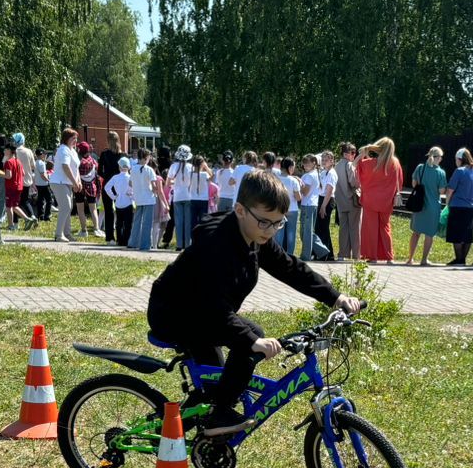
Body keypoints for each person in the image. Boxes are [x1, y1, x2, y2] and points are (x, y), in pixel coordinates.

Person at [147, 168, 364, 437]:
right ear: (239, 209)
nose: (271, 230)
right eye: (265, 222)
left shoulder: (255, 236)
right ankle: (219, 417)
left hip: (205, 313)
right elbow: (211, 303)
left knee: (217, 385)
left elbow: (290, 268)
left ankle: (201, 420)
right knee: (251, 339)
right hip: (175, 313)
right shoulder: (216, 244)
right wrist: (251, 340)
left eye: (278, 223)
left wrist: (335, 297)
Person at [356, 137, 401, 263]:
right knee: (385, 228)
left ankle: (372, 257)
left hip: (371, 201)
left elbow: (358, 167)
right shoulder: (395, 164)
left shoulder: (371, 163)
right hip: (387, 202)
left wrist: (365, 151)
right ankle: (389, 257)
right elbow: (400, 182)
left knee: (370, 229)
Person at [406, 147, 444, 266]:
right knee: (429, 234)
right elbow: (442, 190)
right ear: (437, 158)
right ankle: (424, 260)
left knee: (416, 233)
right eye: (441, 157)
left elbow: (414, 184)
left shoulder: (420, 168)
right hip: (433, 207)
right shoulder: (440, 172)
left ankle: (410, 259)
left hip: (419, 205)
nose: (441, 159)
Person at [441, 148, 473, 265]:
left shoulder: (459, 171)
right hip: (472, 206)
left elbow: (450, 190)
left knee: (456, 233)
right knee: (467, 233)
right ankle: (463, 259)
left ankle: (459, 259)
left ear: (459, 159)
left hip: (458, 205)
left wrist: (447, 203)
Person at [168, 144, 205, 250]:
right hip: (189, 196)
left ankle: (179, 244)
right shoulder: (191, 167)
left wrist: (175, 182)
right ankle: (187, 244)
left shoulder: (173, 166)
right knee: (188, 221)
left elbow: (168, 183)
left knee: (178, 222)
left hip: (177, 196)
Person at [50, 128, 79, 242]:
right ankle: (58, 235)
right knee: (66, 206)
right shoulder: (63, 150)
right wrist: (75, 182)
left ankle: (67, 233)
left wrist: (78, 182)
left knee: (68, 207)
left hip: (67, 183)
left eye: (76, 138)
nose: (75, 141)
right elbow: (65, 167)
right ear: (66, 139)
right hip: (59, 182)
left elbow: (75, 168)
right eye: (73, 138)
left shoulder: (73, 151)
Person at [333, 141, 361, 259]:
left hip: (340, 201)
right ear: (346, 153)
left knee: (343, 229)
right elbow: (353, 182)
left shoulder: (336, 165)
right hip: (352, 200)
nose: (354, 155)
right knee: (355, 228)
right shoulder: (349, 165)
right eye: (353, 152)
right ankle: (356, 255)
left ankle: (342, 254)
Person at [128, 148, 158, 250]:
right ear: (146, 158)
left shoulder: (133, 169)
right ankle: (145, 244)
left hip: (138, 198)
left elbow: (130, 183)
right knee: (147, 223)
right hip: (148, 198)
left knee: (136, 221)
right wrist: (155, 192)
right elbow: (154, 185)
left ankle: (133, 242)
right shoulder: (149, 170)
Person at [296, 154, 324, 261]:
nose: (305, 165)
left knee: (305, 232)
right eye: (304, 163)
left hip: (307, 205)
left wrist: (298, 184)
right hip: (312, 204)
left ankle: (306, 255)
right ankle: (322, 251)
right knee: (308, 231)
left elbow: (305, 192)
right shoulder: (316, 173)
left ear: (314, 163)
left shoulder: (308, 176)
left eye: (307, 163)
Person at [97, 131, 123, 241]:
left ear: (108, 141)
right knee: (121, 210)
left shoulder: (104, 154)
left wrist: (107, 176)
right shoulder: (122, 155)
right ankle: (121, 236)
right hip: (119, 184)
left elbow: (99, 171)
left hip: (107, 184)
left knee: (108, 212)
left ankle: (109, 237)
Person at [0, 140, 27, 230]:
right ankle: (28, 219)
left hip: (11, 187)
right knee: (14, 206)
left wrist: (0, 173)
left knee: (9, 207)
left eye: (5, 150)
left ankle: (11, 225)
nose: (4, 151)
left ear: (9, 150)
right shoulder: (18, 161)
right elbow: (23, 173)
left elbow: (8, 176)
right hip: (19, 186)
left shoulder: (8, 162)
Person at [76, 140, 99, 237]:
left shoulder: (79, 162)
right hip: (91, 187)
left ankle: (84, 231)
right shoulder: (93, 161)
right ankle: (96, 229)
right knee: (93, 209)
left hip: (80, 188)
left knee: (80, 210)